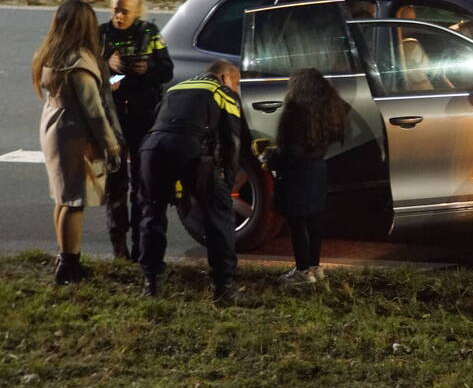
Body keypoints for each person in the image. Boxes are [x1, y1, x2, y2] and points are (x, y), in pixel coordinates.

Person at [136, 59, 242, 305]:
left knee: (152, 214)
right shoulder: (221, 91)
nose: (236, 89)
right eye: (236, 83)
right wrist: (228, 180)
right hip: (189, 148)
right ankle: (224, 288)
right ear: (225, 77)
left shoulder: (176, 88)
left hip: (151, 149)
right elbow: (232, 140)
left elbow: (156, 120)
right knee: (218, 213)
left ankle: (150, 283)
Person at [33, 0, 122, 285]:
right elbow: (94, 112)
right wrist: (111, 144)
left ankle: (64, 258)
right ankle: (69, 267)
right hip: (74, 135)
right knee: (75, 202)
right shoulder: (79, 61)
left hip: (54, 127)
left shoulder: (52, 54)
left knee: (62, 199)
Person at [100, 0, 174, 261]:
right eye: (116, 10)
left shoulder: (149, 33)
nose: (119, 17)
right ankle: (119, 246)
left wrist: (148, 69)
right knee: (116, 183)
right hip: (114, 117)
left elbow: (167, 71)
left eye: (125, 12)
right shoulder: (101, 35)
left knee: (144, 184)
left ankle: (143, 246)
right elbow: (90, 77)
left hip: (144, 116)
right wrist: (110, 69)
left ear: (137, 12)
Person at [263, 68, 348, 286]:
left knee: (297, 223)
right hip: (317, 170)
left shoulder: (295, 111)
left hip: (296, 175)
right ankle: (314, 267)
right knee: (314, 221)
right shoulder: (331, 109)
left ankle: (302, 271)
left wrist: (269, 158)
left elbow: (292, 152)